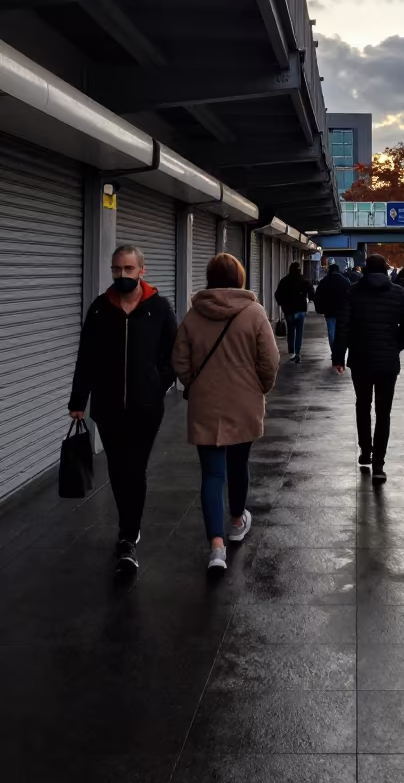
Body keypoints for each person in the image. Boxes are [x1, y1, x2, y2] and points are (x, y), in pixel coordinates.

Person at [68, 244, 177, 574]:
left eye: (128, 269)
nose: (121, 275)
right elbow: (86, 356)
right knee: (117, 470)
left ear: (141, 271)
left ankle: (128, 535)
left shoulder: (158, 308)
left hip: (146, 407)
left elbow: (173, 354)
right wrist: (78, 401)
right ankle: (129, 529)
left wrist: (158, 384)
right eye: (116, 269)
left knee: (135, 468)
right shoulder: (100, 309)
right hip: (108, 405)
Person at [173, 253, 279, 574]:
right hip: (244, 402)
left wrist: (196, 384)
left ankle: (215, 548)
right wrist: (260, 386)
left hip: (206, 404)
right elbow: (270, 360)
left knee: (212, 474)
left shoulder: (194, 315)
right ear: (240, 279)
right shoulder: (254, 312)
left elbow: (179, 361)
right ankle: (236, 522)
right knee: (238, 465)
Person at [332, 254, 404, 482]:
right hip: (388, 362)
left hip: (360, 359)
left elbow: (343, 326)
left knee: (363, 405)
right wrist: (394, 346)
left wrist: (339, 355)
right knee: (383, 412)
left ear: (366, 269)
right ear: (386, 269)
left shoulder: (352, 291)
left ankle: (365, 452)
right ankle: (379, 465)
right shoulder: (398, 293)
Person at [274, 261, 315, 362]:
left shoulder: (284, 281)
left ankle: (291, 351)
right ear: (299, 270)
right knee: (299, 331)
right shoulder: (303, 280)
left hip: (288, 310)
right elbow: (311, 291)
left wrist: (282, 303)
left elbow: (277, 294)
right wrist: (309, 299)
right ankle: (297, 352)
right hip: (300, 309)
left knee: (290, 331)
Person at [313, 263, 351, 356]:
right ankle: (340, 352)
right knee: (342, 333)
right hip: (342, 312)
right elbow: (350, 296)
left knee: (331, 332)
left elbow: (317, 296)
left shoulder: (324, 281)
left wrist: (320, 309)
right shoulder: (345, 282)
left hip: (329, 312)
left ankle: (334, 352)